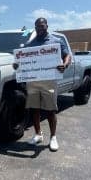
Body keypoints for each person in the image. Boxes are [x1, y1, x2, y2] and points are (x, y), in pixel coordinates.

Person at [14, 17, 71, 151]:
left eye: (42, 26)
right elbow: (21, 62)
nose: (40, 28)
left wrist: (65, 64)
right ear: (35, 27)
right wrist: (17, 65)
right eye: (37, 26)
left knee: (50, 110)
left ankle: (53, 137)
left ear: (47, 26)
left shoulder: (56, 41)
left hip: (49, 81)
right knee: (34, 109)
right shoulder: (30, 44)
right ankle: (38, 134)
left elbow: (67, 55)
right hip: (33, 81)